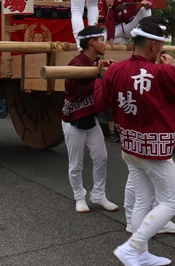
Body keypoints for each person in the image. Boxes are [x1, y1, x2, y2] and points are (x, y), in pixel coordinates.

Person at [95, 21, 175, 266]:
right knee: (173, 201)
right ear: (153, 45)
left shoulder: (115, 70)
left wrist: (100, 78)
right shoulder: (162, 73)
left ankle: (140, 253)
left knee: (143, 200)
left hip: (129, 146)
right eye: (161, 45)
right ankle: (132, 247)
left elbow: (100, 105)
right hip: (153, 151)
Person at [122, 16, 175, 236]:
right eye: (160, 39)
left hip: (137, 138)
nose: (162, 44)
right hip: (145, 138)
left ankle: (140, 238)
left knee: (146, 193)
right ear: (151, 43)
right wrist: (172, 71)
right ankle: (132, 227)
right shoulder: (144, 69)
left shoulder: (130, 68)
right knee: (167, 198)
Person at [62, 25, 119, 213]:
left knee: (101, 157)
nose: (105, 43)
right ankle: (79, 197)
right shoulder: (76, 64)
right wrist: (98, 74)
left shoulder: (96, 62)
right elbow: (80, 92)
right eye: (102, 40)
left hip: (90, 119)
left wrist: (103, 70)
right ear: (92, 42)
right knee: (76, 163)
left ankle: (99, 195)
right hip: (74, 119)